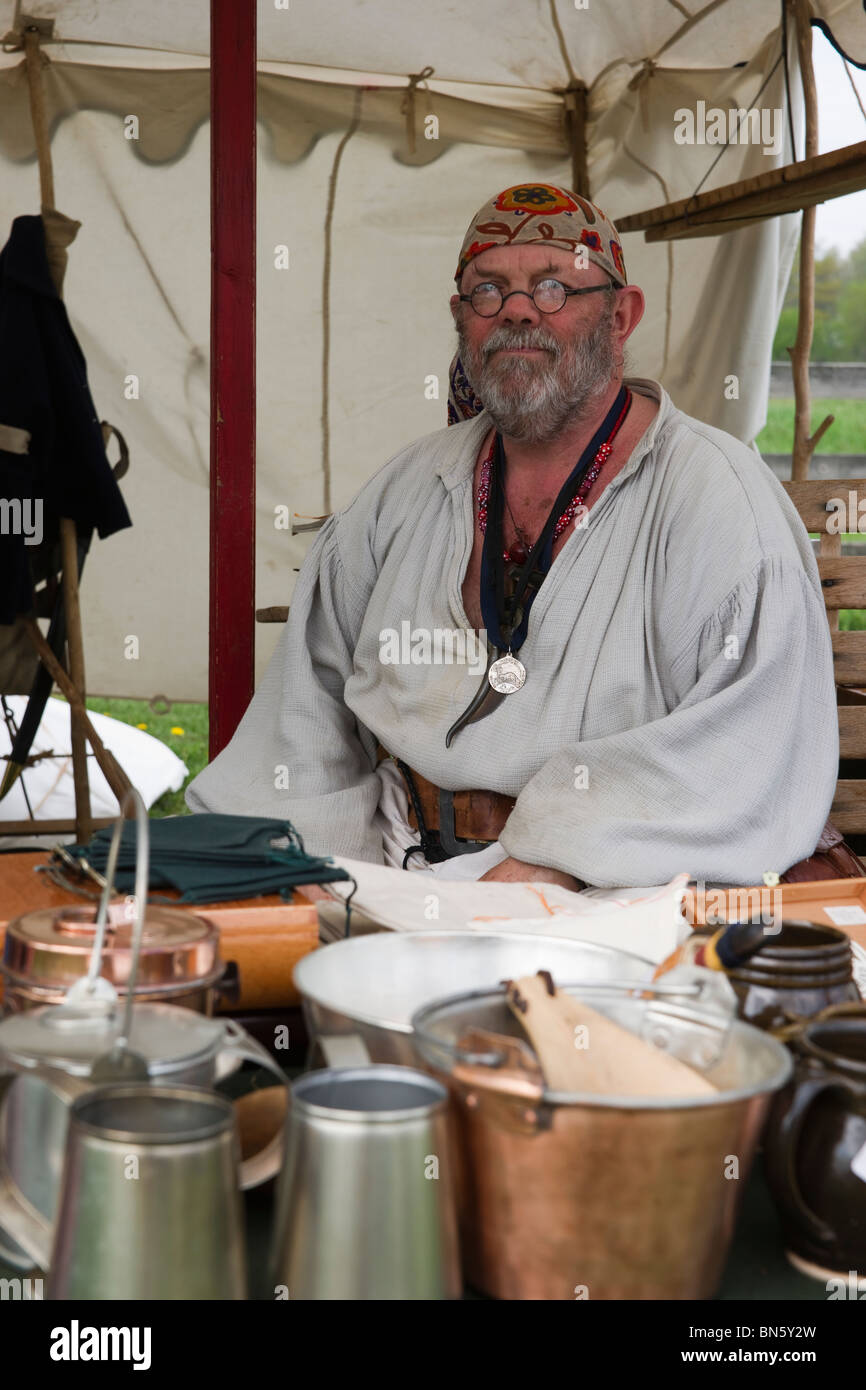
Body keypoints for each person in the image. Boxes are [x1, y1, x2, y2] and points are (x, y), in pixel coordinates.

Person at [187, 182, 838, 891]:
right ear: (461, 319)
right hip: (393, 866)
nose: (519, 309)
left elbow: (748, 747)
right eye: (487, 291)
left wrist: (553, 856)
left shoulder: (717, 501)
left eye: (555, 287)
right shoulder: (405, 491)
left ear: (621, 316)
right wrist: (312, 867)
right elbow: (304, 708)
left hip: (616, 891)